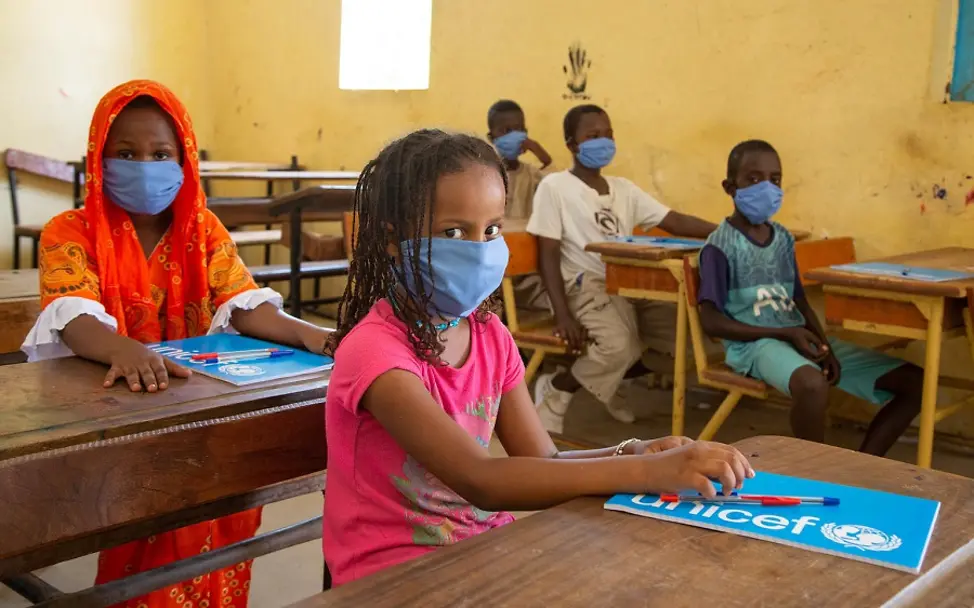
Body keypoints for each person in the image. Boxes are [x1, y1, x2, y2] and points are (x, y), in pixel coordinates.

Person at [322, 128, 753, 586]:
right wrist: (646, 472)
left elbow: (542, 458)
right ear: (392, 240)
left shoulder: (490, 336)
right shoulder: (376, 352)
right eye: (453, 232)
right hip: (391, 576)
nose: (480, 250)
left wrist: (632, 450)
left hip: (480, 551)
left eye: (491, 230)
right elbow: (482, 480)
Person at [23, 80, 332, 607]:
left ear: (184, 159)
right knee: (138, 543)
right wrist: (124, 349)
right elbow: (72, 315)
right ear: (98, 158)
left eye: (161, 153)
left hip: (200, 406)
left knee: (219, 530)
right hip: (122, 409)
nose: (145, 166)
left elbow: (242, 302)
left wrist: (313, 334)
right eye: (126, 153)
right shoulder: (71, 230)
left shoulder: (202, 229)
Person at [697, 139, 923, 456]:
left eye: (775, 179)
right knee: (813, 385)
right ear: (730, 187)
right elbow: (711, 321)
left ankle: (865, 465)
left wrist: (824, 346)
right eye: (754, 178)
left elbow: (798, 301)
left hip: (798, 337)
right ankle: (814, 469)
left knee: (915, 383)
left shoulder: (782, 238)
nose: (766, 187)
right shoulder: (719, 246)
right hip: (755, 346)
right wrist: (785, 333)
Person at [526, 104, 717, 433]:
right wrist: (562, 315)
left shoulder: (624, 189)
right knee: (620, 345)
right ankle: (558, 389)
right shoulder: (555, 187)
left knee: (683, 341)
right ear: (572, 144)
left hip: (630, 284)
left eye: (608, 134)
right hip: (586, 285)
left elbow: (673, 221)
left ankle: (612, 383)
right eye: (593, 135)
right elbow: (548, 253)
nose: (603, 141)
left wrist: (727, 232)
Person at [486, 99, 552, 311]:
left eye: (519, 129)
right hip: (492, 270)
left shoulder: (533, 175)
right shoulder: (485, 175)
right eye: (506, 131)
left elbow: (559, 190)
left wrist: (544, 157)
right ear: (492, 138)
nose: (514, 135)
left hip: (528, 272)